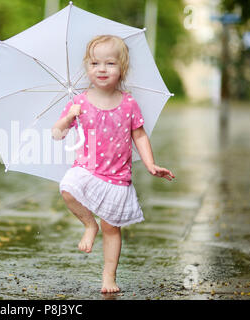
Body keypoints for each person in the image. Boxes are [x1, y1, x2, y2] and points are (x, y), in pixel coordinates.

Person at [51, 35, 175, 293]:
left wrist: (151, 164)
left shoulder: (128, 103)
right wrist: (67, 120)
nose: (102, 69)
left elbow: (139, 135)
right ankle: (88, 224)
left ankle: (108, 276)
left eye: (110, 63)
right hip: (87, 169)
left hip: (117, 177)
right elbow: (56, 133)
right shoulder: (79, 102)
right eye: (95, 63)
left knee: (111, 228)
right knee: (67, 188)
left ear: (122, 69)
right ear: (87, 67)